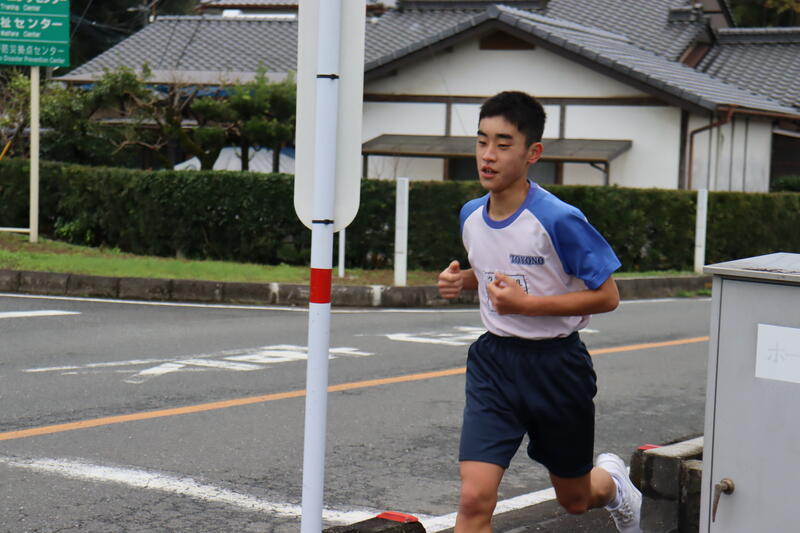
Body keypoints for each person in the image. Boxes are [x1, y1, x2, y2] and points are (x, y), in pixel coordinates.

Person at [437, 91, 642, 533]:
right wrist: (463, 280)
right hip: (494, 364)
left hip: (557, 367)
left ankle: (615, 486)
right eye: (481, 141)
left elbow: (607, 295)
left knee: (575, 498)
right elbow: (493, 270)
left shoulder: (558, 219)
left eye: (503, 144)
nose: (487, 155)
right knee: (473, 500)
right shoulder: (471, 215)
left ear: (533, 153)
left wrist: (529, 305)